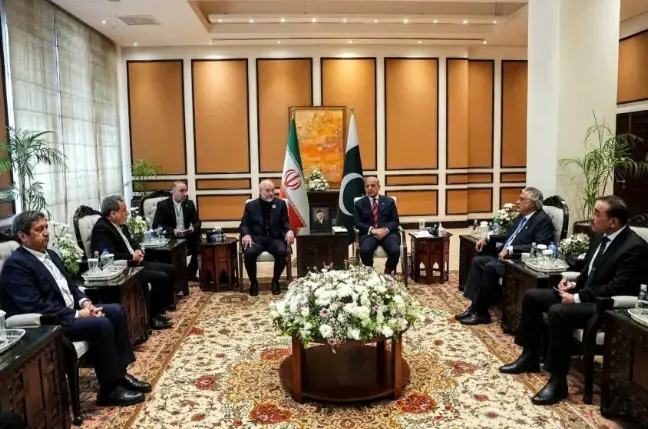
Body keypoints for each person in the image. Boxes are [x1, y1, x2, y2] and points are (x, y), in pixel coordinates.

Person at [500, 195, 648, 405]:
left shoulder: (634, 247)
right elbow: (589, 272)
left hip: (606, 306)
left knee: (559, 312)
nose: (592, 217)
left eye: (597, 213)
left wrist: (577, 297)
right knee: (533, 296)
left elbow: (617, 287)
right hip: (586, 295)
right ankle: (529, 356)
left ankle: (558, 382)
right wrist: (572, 284)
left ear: (613, 222)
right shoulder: (600, 236)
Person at [0, 211, 151, 407]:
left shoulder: (51, 255)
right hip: (52, 323)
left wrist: (85, 303)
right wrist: (78, 314)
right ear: (23, 236)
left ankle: (120, 375)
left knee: (116, 311)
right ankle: (109, 391)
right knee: (102, 324)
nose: (46, 232)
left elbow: (71, 286)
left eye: (46, 227)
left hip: (71, 311)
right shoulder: (17, 265)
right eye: (39, 229)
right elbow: (35, 305)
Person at [456, 187, 555, 325]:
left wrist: (511, 249)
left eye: (522, 199)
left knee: (490, 267)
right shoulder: (522, 216)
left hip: (517, 262)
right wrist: (488, 237)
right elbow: (509, 236)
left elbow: (539, 245)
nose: (517, 202)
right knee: (477, 261)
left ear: (532, 204)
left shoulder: (542, 220)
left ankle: (481, 314)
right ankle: (475, 307)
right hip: (504, 257)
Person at [91, 195, 174, 330]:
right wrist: (131, 257)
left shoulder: (121, 225)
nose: (127, 213)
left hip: (136, 263)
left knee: (170, 269)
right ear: (113, 214)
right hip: (125, 270)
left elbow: (133, 242)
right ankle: (152, 318)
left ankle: (158, 311)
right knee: (161, 277)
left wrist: (138, 250)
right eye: (124, 210)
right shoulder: (102, 228)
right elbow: (109, 255)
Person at [239, 179, 294, 296]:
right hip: (256, 239)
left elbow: (285, 222)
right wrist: (246, 234)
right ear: (260, 191)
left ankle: (275, 280)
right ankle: (254, 282)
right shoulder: (251, 205)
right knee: (249, 253)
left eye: (272, 190)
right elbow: (244, 224)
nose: (270, 193)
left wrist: (289, 230)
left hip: (275, 238)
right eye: (267, 190)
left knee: (282, 252)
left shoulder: (280, 204)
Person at [152, 181, 201, 281]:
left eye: (186, 191)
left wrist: (193, 227)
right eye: (181, 191)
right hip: (171, 237)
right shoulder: (163, 205)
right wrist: (173, 231)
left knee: (199, 245)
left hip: (187, 235)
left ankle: (190, 273)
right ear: (173, 192)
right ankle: (173, 274)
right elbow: (156, 225)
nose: (185, 193)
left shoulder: (189, 204)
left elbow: (197, 222)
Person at [354, 177, 401, 275]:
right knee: (365, 250)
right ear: (365, 188)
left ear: (378, 187)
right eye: (367, 186)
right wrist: (372, 230)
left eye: (373, 186)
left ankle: (388, 271)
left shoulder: (389, 201)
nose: (370, 188)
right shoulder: (359, 204)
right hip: (370, 234)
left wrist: (386, 230)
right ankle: (370, 273)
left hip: (388, 233)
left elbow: (395, 221)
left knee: (395, 250)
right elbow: (357, 223)